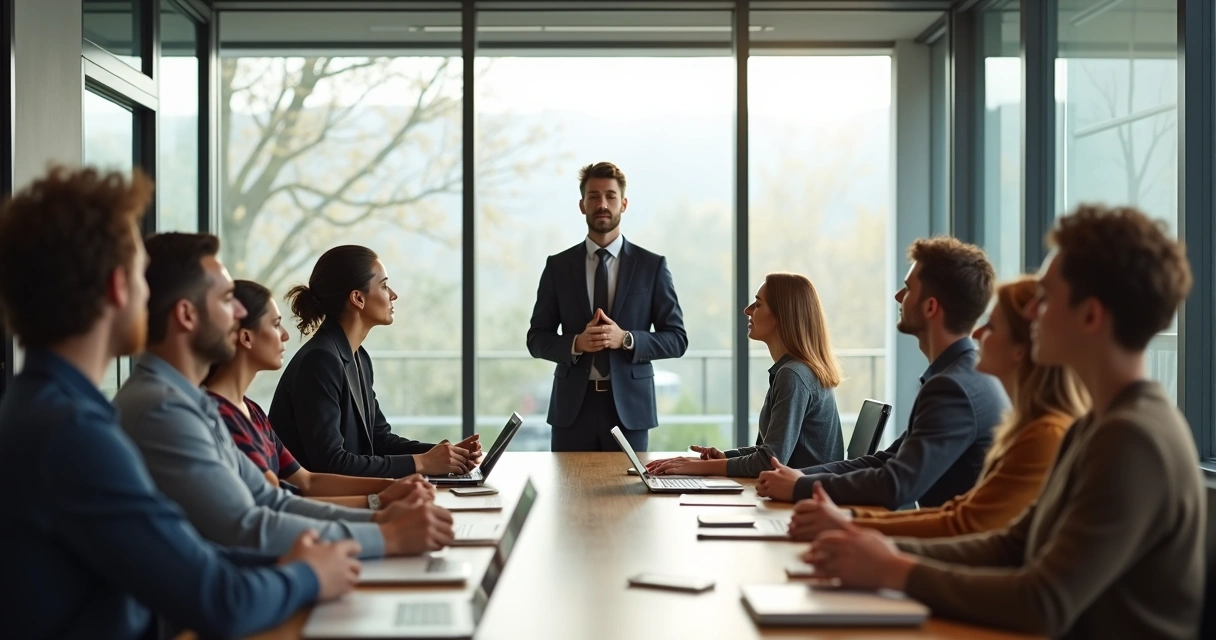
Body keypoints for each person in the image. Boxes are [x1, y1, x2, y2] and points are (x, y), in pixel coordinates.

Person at [805, 206, 1204, 639]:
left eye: (1045, 298)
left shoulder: (1133, 439)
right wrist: (877, 550)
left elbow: (1044, 601)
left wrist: (895, 569)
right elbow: (1011, 545)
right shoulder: (1093, 427)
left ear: (1090, 316)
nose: (1030, 311)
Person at [0, 166, 360, 639]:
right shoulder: (72, 432)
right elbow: (217, 599)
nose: (151, 296)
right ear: (118, 286)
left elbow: (186, 555)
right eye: (140, 277)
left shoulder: (47, 409)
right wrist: (308, 574)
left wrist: (294, 563)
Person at [115, 233, 454, 558]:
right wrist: (385, 533)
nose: (237, 314)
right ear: (187, 315)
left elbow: (275, 500)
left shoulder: (201, 404)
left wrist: (381, 516)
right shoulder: (166, 410)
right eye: (225, 301)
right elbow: (247, 527)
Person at [788, 277, 1088, 539]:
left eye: (991, 326)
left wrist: (851, 526)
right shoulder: (1023, 424)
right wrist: (849, 522)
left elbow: (963, 525)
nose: (978, 335)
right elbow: (961, 513)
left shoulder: (1040, 433)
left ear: (1023, 349)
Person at [757, 237, 1007, 507]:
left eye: (908, 289)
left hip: (939, 545)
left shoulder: (953, 387)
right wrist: (797, 477)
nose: (898, 296)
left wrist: (801, 486)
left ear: (930, 307)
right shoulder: (963, 375)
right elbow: (885, 460)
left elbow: (894, 485)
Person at [206, 279, 436, 509]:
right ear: (246, 337)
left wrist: (393, 486)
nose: (285, 335)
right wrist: (378, 503)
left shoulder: (253, 411)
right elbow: (276, 504)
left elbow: (307, 480)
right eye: (276, 325)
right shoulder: (220, 416)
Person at [270, 245, 482, 477]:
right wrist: (421, 463)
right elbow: (330, 463)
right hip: (314, 504)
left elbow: (379, 439)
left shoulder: (358, 356)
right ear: (358, 298)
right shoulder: (320, 361)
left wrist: (443, 455)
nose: (393, 295)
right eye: (383, 285)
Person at [527, 161, 689, 452]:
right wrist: (576, 343)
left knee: (629, 497)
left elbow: (677, 339)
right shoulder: (558, 267)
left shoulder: (652, 267)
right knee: (569, 496)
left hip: (630, 411)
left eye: (610, 196)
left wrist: (626, 339)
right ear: (582, 205)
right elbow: (536, 339)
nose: (602, 204)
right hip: (572, 411)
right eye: (594, 196)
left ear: (623, 204)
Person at [645, 273, 844, 477]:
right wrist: (725, 457)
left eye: (758, 304)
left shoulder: (793, 375)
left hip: (801, 499)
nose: (747, 310)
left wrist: (693, 466)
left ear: (781, 315)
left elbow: (769, 462)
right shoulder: (793, 371)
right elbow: (769, 452)